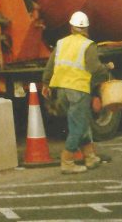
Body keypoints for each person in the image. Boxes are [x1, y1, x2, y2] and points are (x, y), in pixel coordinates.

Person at [41, 11, 114, 174]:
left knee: (82, 122)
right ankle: (67, 161)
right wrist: (107, 69)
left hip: (62, 90)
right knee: (78, 126)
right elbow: (94, 68)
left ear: (71, 27)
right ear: (86, 28)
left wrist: (46, 83)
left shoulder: (61, 43)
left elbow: (50, 66)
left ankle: (90, 157)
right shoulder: (88, 45)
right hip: (78, 89)